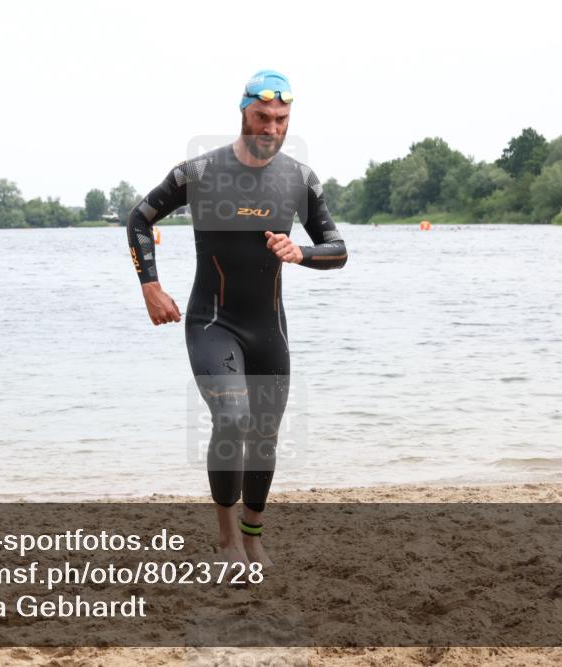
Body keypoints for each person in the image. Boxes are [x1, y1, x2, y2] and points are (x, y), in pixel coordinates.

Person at [126, 70, 348, 567]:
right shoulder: (200, 171)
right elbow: (140, 217)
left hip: (269, 329)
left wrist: (301, 252)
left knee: (264, 435)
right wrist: (151, 287)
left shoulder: (299, 179)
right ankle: (227, 541)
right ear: (243, 112)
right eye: (262, 117)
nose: (272, 128)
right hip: (213, 323)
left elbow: (338, 249)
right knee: (231, 419)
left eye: (281, 119)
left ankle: (252, 536)